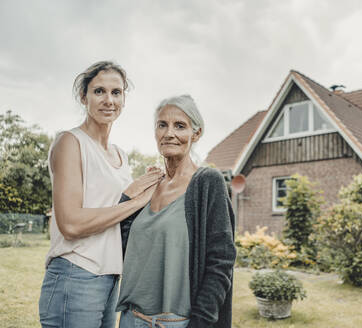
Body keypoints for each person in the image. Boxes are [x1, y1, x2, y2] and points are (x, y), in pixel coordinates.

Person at [39, 61, 162, 328]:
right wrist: (137, 202)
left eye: (116, 92)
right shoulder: (70, 142)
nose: (109, 100)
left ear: (124, 99)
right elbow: (71, 224)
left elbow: (113, 206)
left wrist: (146, 185)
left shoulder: (120, 154)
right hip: (75, 273)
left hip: (109, 278)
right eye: (99, 91)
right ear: (84, 97)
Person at [117, 95, 236, 328]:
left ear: (196, 133)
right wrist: (129, 195)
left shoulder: (207, 182)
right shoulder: (151, 186)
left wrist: (200, 322)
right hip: (131, 319)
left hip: (177, 322)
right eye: (162, 125)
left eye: (179, 126)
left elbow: (221, 262)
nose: (169, 133)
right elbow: (123, 243)